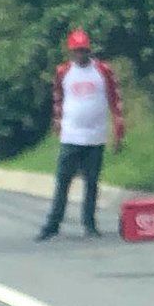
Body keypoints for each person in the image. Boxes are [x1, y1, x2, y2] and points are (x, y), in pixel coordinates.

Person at [35, 28, 125, 242]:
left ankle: (89, 223)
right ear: (71, 52)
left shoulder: (102, 70)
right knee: (63, 182)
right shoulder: (63, 72)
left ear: (89, 50)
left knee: (91, 183)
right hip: (71, 136)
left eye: (83, 50)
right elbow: (58, 98)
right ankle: (53, 224)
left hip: (95, 137)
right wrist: (58, 123)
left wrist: (118, 129)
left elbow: (115, 99)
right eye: (76, 51)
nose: (80, 54)